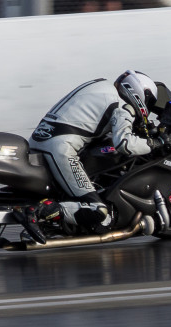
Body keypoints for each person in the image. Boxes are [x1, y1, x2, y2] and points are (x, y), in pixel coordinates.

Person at [14, 70, 159, 244]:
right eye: (149, 101)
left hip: (40, 141)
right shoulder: (123, 107)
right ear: (139, 93)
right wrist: (155, 144)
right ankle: (36, 211)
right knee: (98, 211)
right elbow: (124, 144)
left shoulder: (100, 85)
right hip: (60, 148)